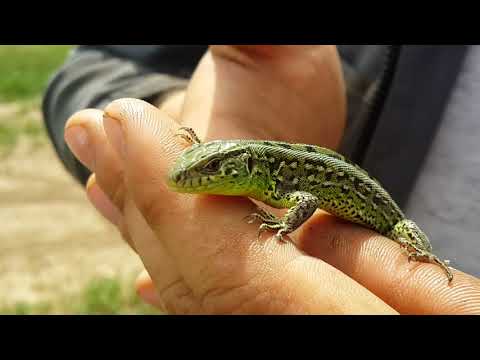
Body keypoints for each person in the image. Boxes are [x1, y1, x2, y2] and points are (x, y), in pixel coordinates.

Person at [42, 45, 480, 314]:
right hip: (340, 266)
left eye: (210, 168)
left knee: (411, 243)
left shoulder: (275, 184)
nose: (196, 176)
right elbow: (101, 63)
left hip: (385, 229)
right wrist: (175, 109)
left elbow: (305, 200)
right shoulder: (258, 171)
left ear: (247, 167)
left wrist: (284, 226)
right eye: (203, 165)